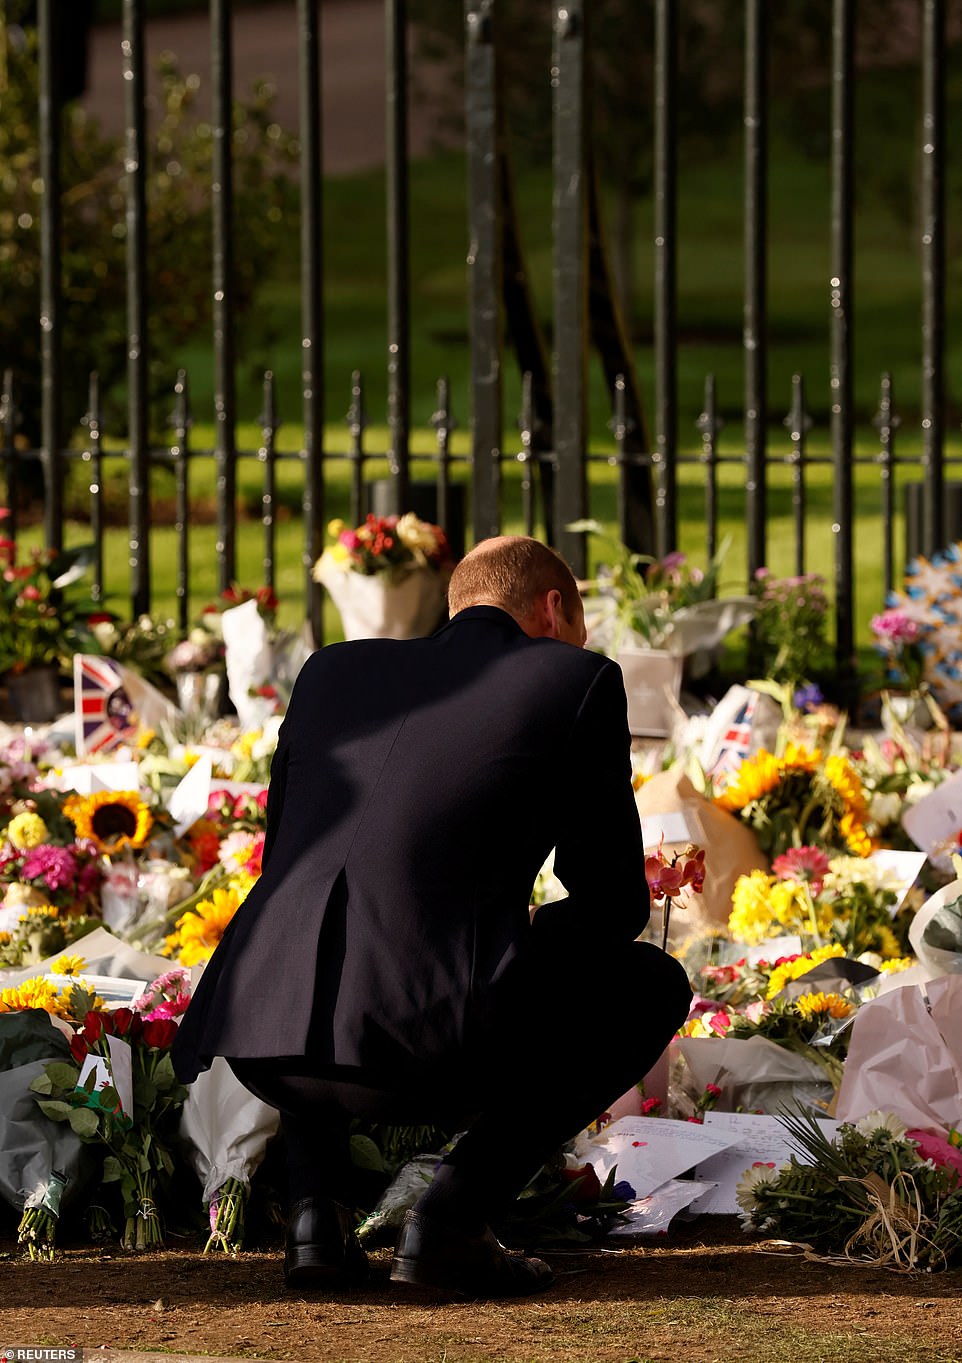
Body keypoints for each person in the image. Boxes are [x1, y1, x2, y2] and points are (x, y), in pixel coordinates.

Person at [172, 535, 692, 1298]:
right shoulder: (574, 678)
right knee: (649, 984)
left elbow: (283, 860)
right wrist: (509, 947)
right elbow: (613, 904)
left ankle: (315, 1214)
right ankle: (451, 1218)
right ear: (555, 608)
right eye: (579, 622)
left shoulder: (332, 670)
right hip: (427, 1047)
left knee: (326, 931)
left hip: (264, 1029)